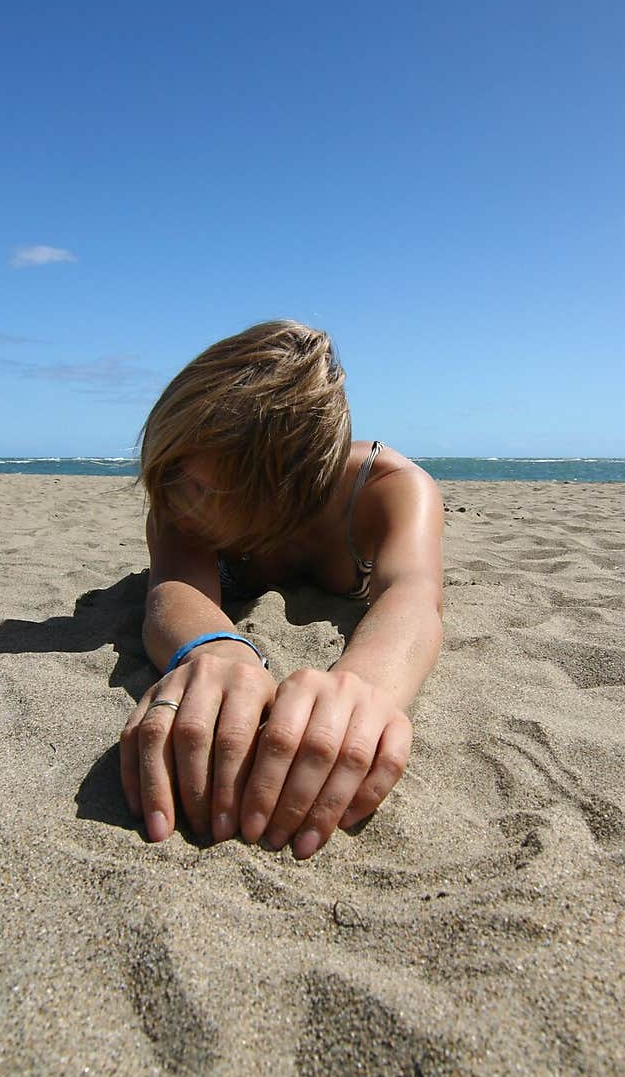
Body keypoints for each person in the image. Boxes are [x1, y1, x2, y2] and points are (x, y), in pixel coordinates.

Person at [119, 319, 444, 859]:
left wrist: (362, 686)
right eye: (169, 467)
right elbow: (174, 585)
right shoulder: (179, 497)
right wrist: (216, 652)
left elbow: (412, 593)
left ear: (280, 482)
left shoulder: (388, 488)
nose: (170, 494)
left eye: (198, 485)